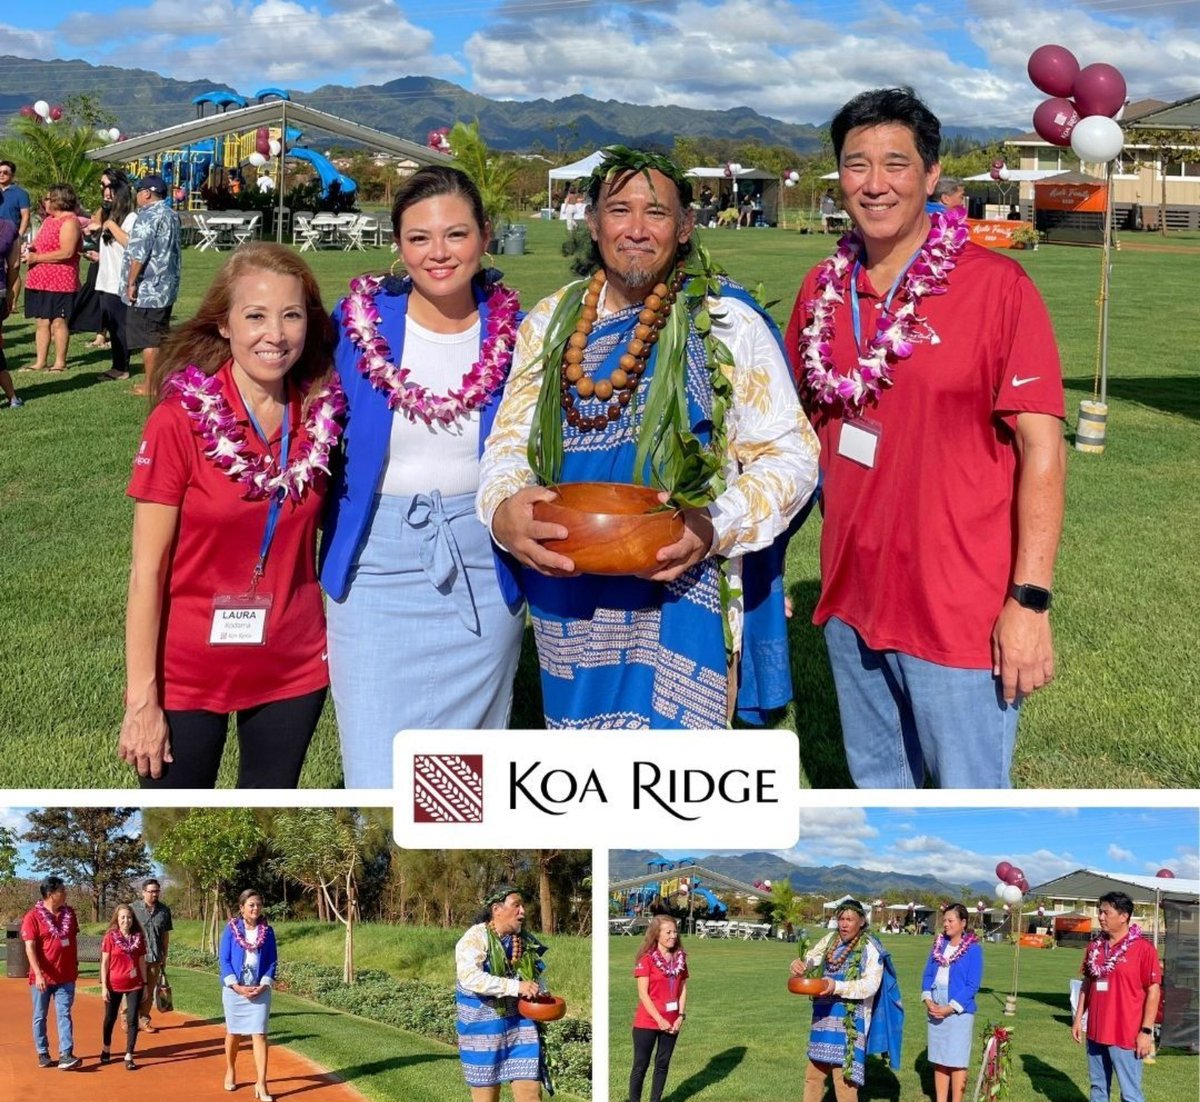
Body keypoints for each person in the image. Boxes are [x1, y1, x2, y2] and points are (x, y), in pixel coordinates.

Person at [477, 146, 819, 729]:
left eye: (656, 213)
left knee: (677, 797)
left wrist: (714, 525)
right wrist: (504, 510)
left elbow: (792, 457)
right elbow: (508, 445)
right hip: (571, 599)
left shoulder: (727, 321)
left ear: (685, 227)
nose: (636, 229)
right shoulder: (551, 321)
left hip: (686, 593)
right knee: (583, 793)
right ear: (592, 222)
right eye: (619, 210)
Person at [785, 87, 1067, 788]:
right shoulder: (822, 292)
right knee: (881, 800)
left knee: (970, 809)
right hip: (852, 602)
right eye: (856, 165)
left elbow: (1043, 449)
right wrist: (757, 565)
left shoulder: (997, 287)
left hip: (958, 613)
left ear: (932, 174)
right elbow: (788, 439)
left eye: (895, 164)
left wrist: (1028, 603)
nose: (874, 184)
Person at [320, 166, 524, 787]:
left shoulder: (518, 331)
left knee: (468, 771)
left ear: (485, 237)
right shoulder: (357, 324)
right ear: (398, 245)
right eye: (418, 238)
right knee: (378, 769)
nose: (438, 253)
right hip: (375, 563)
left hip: (483, 560)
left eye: (456, 234)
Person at [120, 243, 342, 787]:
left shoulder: (322, 418)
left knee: (268, 820)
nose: (276, 334)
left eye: (291, 315)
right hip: (188, 672)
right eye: (255, 316)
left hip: (292, 664)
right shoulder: (179, 423)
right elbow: (146, 572)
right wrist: (141, 700)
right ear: (224, 325)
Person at [454, 886, 560, 1102]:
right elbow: (470, 977)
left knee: (530, 1094)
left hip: (520, 1026)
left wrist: (544, 996)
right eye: (516, 905)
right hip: (480, 1028)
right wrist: (516, 987)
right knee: (486, 1098)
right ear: (496, 909)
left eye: (523, 906)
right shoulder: (473, 939)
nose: (523, 911)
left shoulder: (523, 942)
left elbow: (535, 978)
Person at [787, 898, 903, 1102]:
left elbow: (870, 985)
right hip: (824, 1016)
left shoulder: (871, 947)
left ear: (862, 921)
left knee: (845, 1080)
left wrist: (836, 986)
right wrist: (799, 965)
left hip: (852, 1020)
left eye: (850, 919)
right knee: (814, 1073)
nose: (844, 924)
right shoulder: (828, 941)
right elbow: (810, 962)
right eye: (841, 919)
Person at [1067, 891, 1162, 1102]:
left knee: (1130, 1094)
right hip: (1097, 1030)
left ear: (1124, 916)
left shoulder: (1143, 950)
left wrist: (1146, 1031)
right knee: (1098, 1086)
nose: (1101, 916)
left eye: (1106, 912)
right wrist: (1078, 1017)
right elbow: (1087, 983)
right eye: (1100, 911)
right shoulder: (1095, 947)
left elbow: (1153, 991)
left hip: (1126, 1034)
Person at [921, 903, 982, 1102]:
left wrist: (949, 1008)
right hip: (935, 1005)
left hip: (958, 1010)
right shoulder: (938, 945)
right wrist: (929, 1000)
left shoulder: (973, 949)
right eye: (944, 921)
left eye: (951, 921)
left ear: (963, 923)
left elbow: (972, 985)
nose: (946, 925)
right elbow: (927, 974)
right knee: (939, 1059)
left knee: (956, 1061)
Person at [122, 174, 181, 397]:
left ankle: (151, 385)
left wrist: (131, 282)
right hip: (167, 285)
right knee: (160, 334)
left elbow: (139, 253)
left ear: (146, 193)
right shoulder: (171, 214)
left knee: (149, 338)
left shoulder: (147, 216)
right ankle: (161, 380)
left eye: (138, 191)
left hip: (149, 287)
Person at [628, 915, 688, 1102]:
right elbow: (643, 994)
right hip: (647, 1022)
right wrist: (660, 1019)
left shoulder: (680, 958)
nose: (673, 936)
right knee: (640, 1066)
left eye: (674, 932)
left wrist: (680, 1015)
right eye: (668, 932)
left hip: (672, 1022)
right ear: (657, 935)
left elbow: (682, 988)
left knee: (662, 1064)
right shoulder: (646, 959)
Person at [219, 888, 278, 1101]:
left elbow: (272, 960)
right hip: (235, 990)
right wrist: (236, 986)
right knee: (234, 1033)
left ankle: (261, 1083)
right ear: (242, 908)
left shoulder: (268, 932)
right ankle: (230, 1069)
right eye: (251, 905)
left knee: (260, 1034)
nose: (255, 908)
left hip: (259, 990)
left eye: (258, 905)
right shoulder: (231, 929)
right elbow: (224, 960)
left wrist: (264, 983)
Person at [21, 876, 81, 1070]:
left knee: (64, 1013)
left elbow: (72, 940)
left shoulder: (69, 913)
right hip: (42, 978)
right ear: (50, 895)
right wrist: (38, 974)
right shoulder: (32, 917)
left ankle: (66, 1054)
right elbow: (30, 948)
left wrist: (74, 963)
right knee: (40, 1015)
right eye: (62, 891)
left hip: (66, 976)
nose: (65, 893)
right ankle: (43, 1052)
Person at [21, 183, 81, 373]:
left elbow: (67, 251)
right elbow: (40, 244)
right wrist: (30, 248)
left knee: (58, 321)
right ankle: (40, 361)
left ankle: (60, 362)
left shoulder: (70, 222)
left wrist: (37, 257)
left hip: (60, 281)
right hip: (39, 279)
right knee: (41, 321)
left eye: (47, 198)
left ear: (58, 200)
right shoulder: (49, 221)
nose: (44, 202)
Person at [93, 171, 138, 381]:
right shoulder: (112, 216)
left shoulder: (131, 218)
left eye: (107, 187)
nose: (104, 192)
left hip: (119, 282)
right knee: (111, 325)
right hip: (106, 279)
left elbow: (130, 243)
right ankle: (117, 365)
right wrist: (97, 255)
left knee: (120, 326)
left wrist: (110, 225)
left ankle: (122, 367)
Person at [100, 903, 148, 1070]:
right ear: (117, 919)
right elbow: (104, 963)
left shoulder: (138, 937)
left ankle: (129, 1054)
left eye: (128, 917)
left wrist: (146, 984)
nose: (126, 920)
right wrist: (104, 986)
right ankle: (106, 1048)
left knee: (132, 1019)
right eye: (122, 917)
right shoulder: (110, 938)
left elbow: (141, 961)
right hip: (114, 984)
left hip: (134, 984)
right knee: (110, 1019)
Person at [131, 877, 173, 1031]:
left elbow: (165, 936)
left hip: (155, 956)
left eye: (157, 891)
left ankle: (144, 1020)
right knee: (132, 989)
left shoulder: (164, 910)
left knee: (149, 990)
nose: (155, 894)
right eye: (151, 891)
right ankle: (127, 1018)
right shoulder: (133, 909)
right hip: (136, 958)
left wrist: (164, 955)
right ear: (143, 892)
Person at [0, 211, 22, 408]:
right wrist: (10, 294)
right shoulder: (8, 227)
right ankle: (12, 397)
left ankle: (13, 396)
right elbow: (14, 264)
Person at [0, 160, 31, 237]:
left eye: (5, 172)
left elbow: (25, 216)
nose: (1, 175)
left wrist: (19, 236)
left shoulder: (21, 193)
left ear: (12, 175)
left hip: (9, 236)